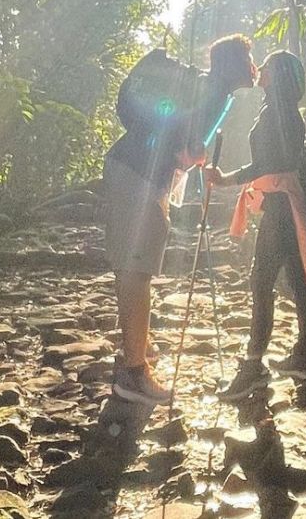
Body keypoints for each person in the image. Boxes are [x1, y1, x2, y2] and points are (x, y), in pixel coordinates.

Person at [104, 33, 256, 406]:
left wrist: (188, 149)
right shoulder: (214, 92)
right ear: (234, 65)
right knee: (136, 270)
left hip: (135, 172)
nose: (253, 66)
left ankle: (136, 346)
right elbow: (181, 142)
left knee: (132, 267)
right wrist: (191, 151)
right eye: (248, 58)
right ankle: (134, 373)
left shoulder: (211, 90)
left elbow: (179, 138)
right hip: (138, 175)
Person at [205, 50, 306, 401]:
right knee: (298, 281)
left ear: (278, 76)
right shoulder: (283, 111)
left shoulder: (280, 114)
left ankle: (253, 367)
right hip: (286, 204)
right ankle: (304, 358)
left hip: (281, 208)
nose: (259, 69)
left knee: (261, 281)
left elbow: (267, 163)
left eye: (267, 66)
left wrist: (227, 179)